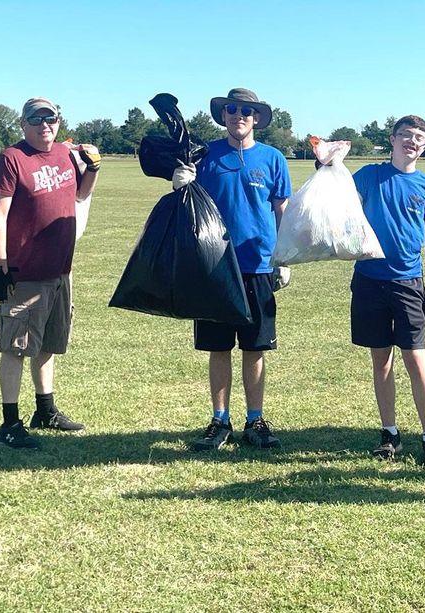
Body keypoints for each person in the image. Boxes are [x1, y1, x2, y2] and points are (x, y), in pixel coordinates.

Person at [174, 88, 291, 452]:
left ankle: (254, 419)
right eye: (231, 110)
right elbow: (187, 204)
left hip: (258, 265)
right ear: (223, 115)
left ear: (256, 118)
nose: (238, 115)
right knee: (218, 347)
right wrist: (181, 182)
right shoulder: (206, 155)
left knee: (255, 348)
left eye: (246, 111)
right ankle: (219, 420)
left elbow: (282, 211)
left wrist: (284, 258)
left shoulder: (273, 159)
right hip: (215, 265)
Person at [0, 97, 101, 449]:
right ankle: (9, 423)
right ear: (23, 124)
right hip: (26, 271)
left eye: (50, 118)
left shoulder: (67, 154)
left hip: (60, 270)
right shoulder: (12, 159)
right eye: (36, 119)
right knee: (16, 346)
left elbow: (80, 195)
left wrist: (93, 169)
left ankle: (45, 410)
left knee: (48, 344)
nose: (44, 125)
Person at [350, 116, 425, 469]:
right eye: (405, 135)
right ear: (392, 140)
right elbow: (336, 195)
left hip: (408, 283)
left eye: (418, 137)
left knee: (415, 359)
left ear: (424, 146)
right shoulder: (368, 176)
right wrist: (324, 162)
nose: (411, 141)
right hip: (369, 279)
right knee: (382, 360)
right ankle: (389, 432)